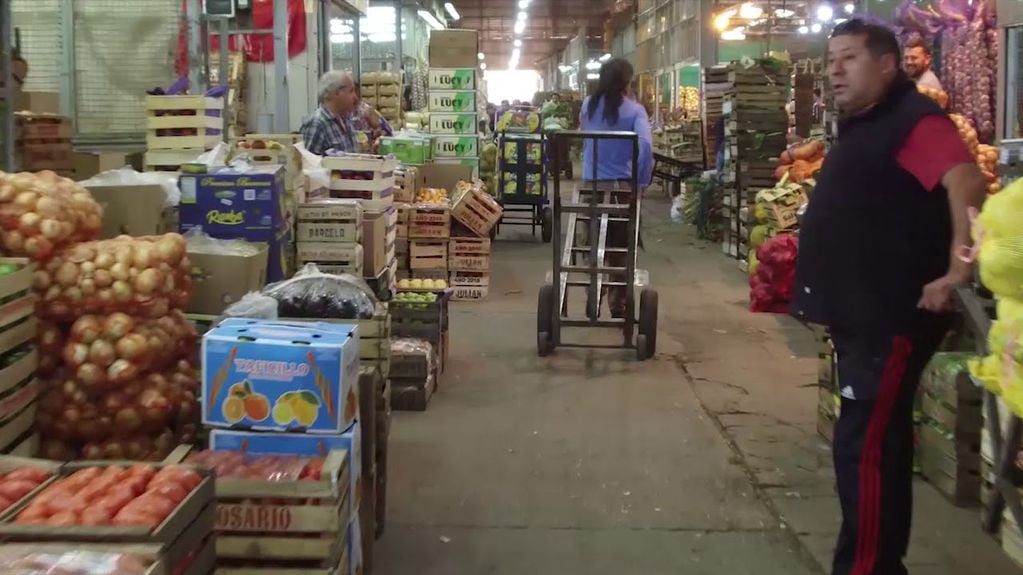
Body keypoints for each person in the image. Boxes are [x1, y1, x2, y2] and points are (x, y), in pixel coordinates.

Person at [793, 20, 985, 575]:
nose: (834, 71)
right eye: (831, 60)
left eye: (848, 58)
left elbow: (966, 182)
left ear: (887, 65)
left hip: (891, 318)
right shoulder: (871, 123)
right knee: (875, 446)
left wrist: (958, 269)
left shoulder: (912, 121)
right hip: (866, 315)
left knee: (867, 451)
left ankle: (869, 568)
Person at [579, 57, 654, 317]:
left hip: (591, 186)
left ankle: (593, 290)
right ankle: (617, 302)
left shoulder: (588, 105)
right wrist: (641, 181)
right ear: (627, 82)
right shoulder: (635, 111)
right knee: (621, 245)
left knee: (592, 240)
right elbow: (645, 146)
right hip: (622, 187)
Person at [300, 71, 359, 155]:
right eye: (351, 91)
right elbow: (309, 163)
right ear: (336, 93)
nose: (355, 97)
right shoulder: (317, 124)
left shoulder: (346, 120)